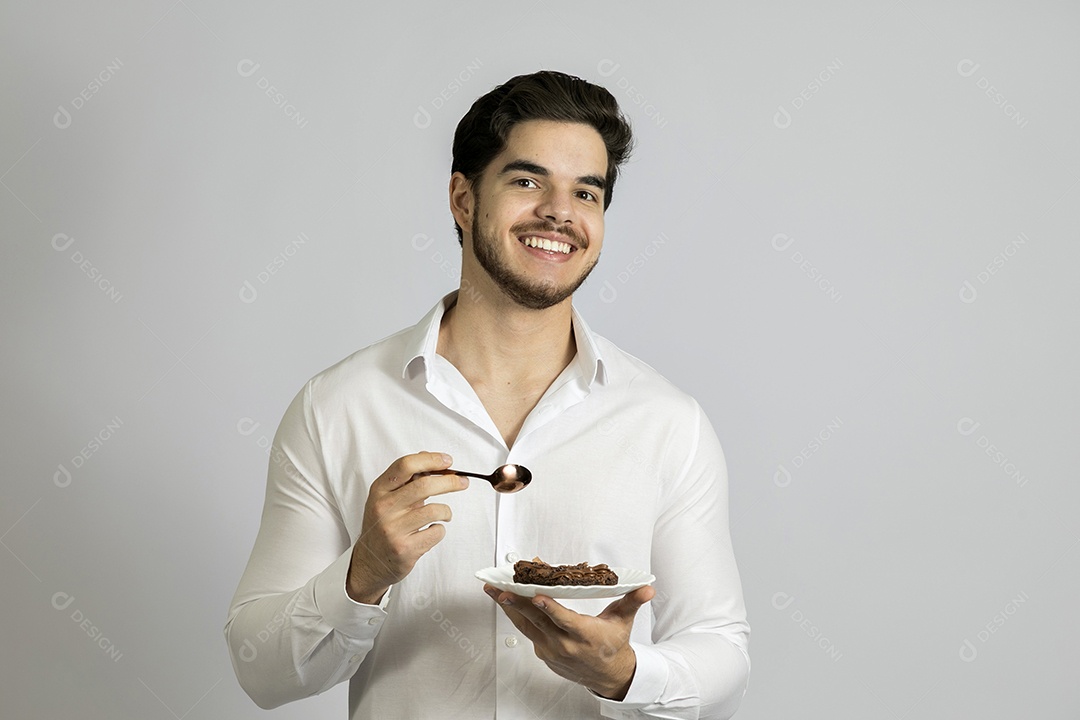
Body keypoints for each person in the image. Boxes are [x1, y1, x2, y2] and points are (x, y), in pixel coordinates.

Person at [225, 69, 750, 719]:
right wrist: (362, 574)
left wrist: (624, 674)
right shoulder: (338, 407)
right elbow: (261, 671)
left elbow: (722, 652)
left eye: (586, 192)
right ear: (463, 199)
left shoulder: (667, 424)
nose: (559, 212)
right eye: (527, 181)